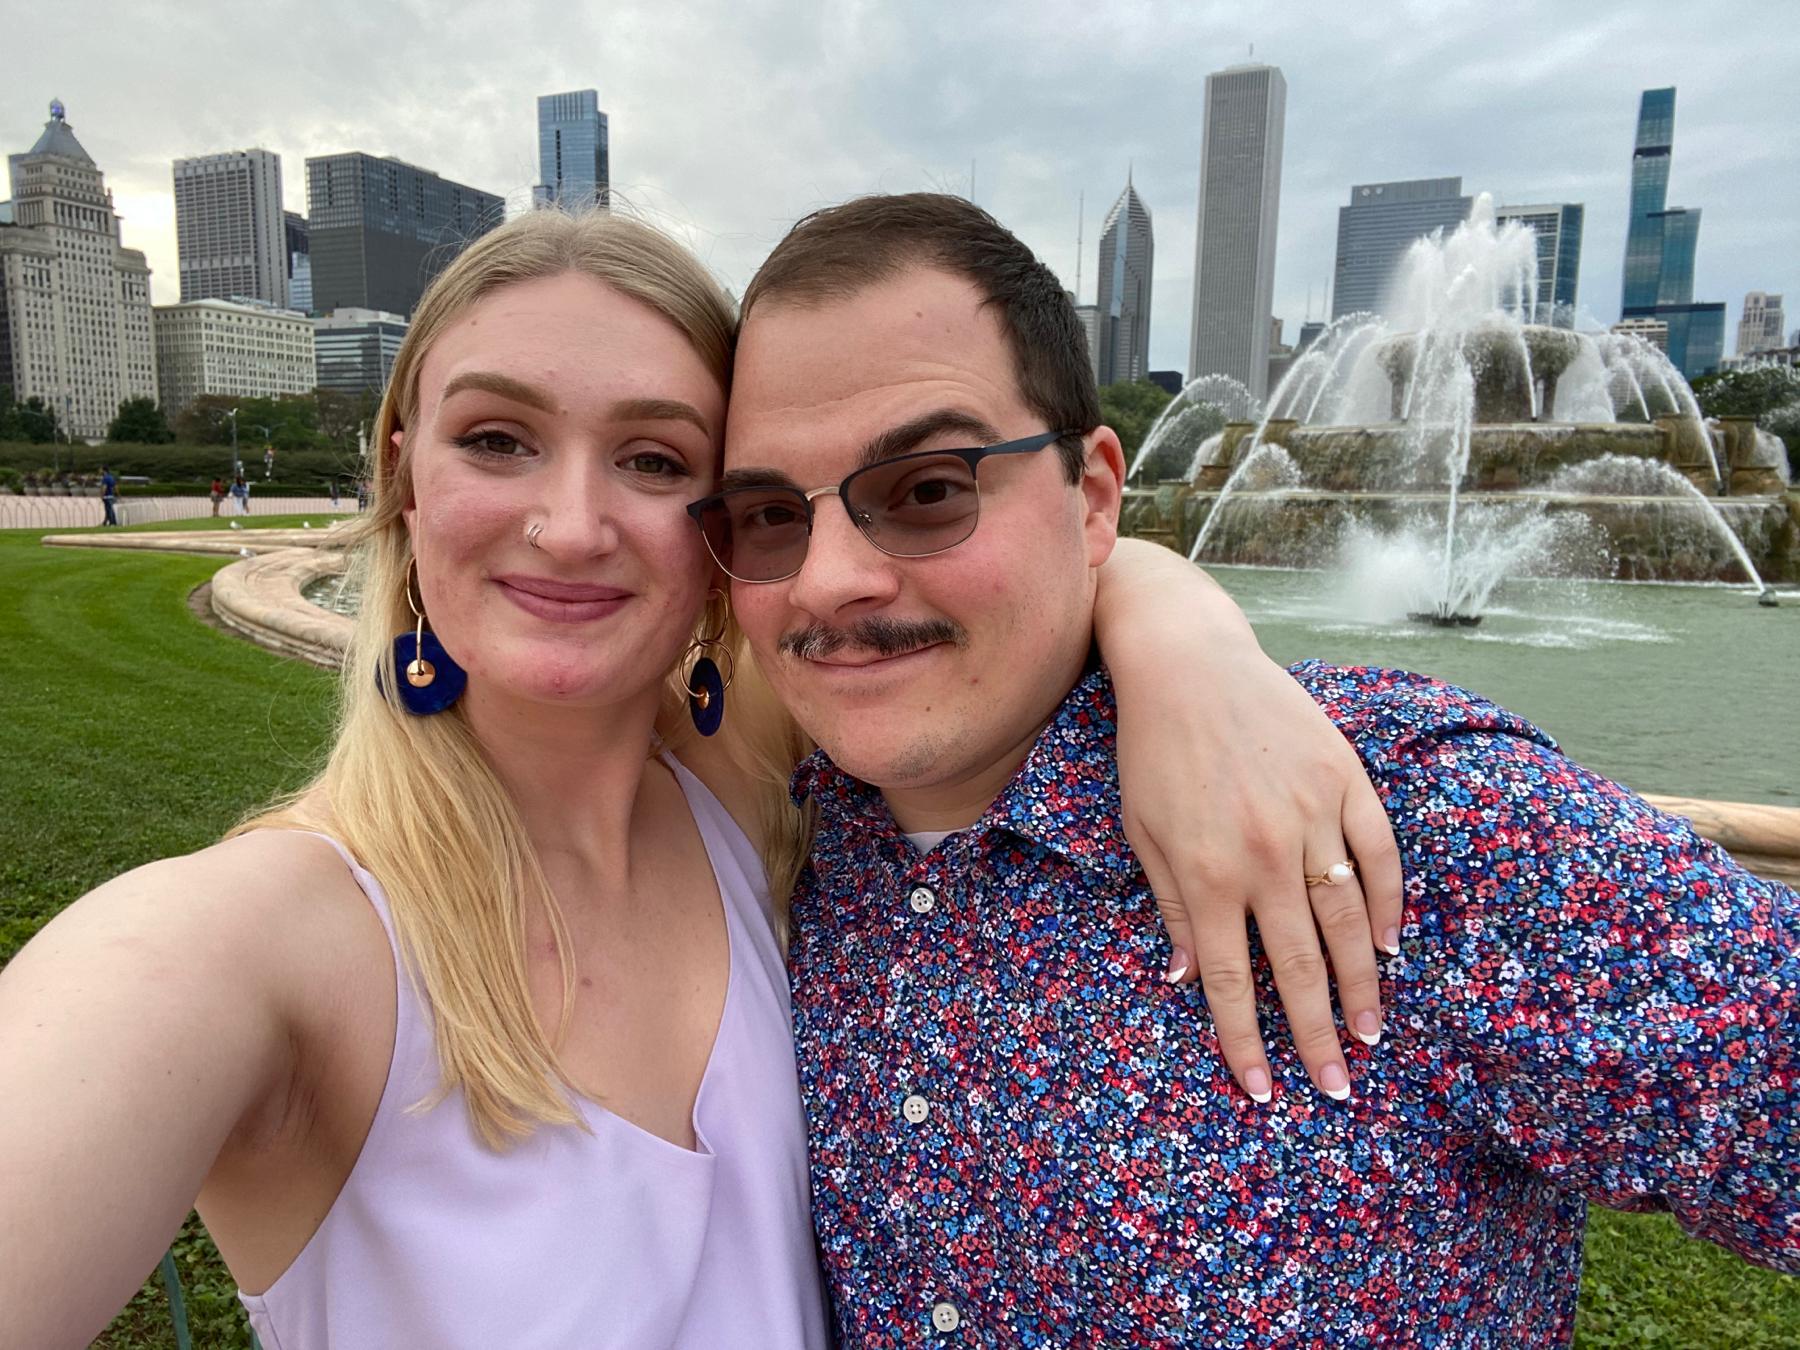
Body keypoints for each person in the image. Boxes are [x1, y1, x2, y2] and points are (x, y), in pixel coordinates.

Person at [0, 209, 1399, 1349]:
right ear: (405, 477)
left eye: (656, 459)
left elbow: (1023, 569)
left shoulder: (754, 774)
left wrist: (1184, 640)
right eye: (497, 437)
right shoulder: (249, 946)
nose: (571, 521)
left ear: (731, 526)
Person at [707, 193, 1800, 1347]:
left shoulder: (1404, 815)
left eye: (929, 488)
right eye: (771, 513)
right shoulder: (768, 840)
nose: (828, 581)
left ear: (1091, 498)